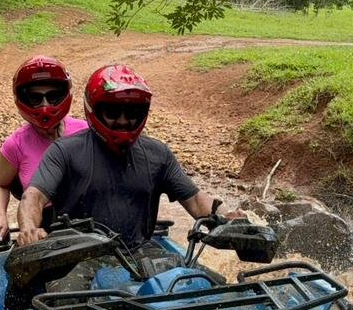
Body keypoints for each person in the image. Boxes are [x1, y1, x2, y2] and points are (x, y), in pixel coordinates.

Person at [16, 64, 240, 286]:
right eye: (113, 112)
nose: (123, 120)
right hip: (77, 255)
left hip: (139, 251)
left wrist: (228, 215)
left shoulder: (158, 154)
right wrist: (29, 229)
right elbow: (34, 197)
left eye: (132, 112)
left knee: (217, 288)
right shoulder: (64, 151)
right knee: (64, 308)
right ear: (94, 109)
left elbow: (196, 200)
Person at [0, 56, 88, 241]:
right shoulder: (15, 144)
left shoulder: (85, 131)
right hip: (41, 227)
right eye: (35, 98)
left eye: (52, 96)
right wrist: (1, 217)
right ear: (23, 99)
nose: (45, 105)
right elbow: (1, 185)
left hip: (88, 220)